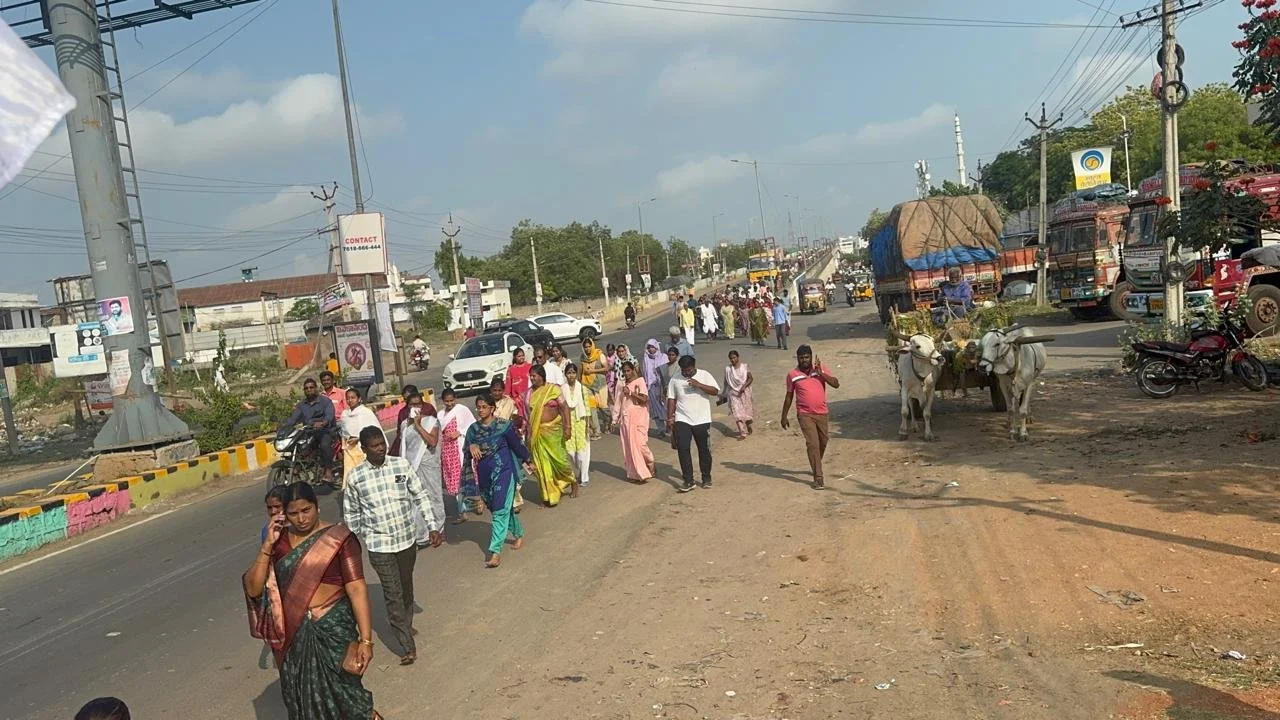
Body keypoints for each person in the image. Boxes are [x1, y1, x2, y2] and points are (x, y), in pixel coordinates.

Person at [243, 482, 381, 720]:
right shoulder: (279, 543)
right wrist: (266, 547)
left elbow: (357, 588)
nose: (301, 519)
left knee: (352, 700)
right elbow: (253, 589)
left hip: (334, 630)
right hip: (295, 635)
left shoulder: (339, 539)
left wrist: (366, 640)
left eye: (306, 510)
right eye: (294, 513)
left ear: (317, 507)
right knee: (304, 703)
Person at [344, 427, 443, 666]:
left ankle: (405, 624)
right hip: (379, 546)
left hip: (407, 541)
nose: (380, 449)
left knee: (406, 586)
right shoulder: (356, 478)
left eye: (382, 444)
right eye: (375, 446)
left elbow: (420, 496)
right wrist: (360, 539)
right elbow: (351, 515)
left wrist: (432, 527)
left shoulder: (401, 466)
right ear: (364, 449)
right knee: (393, 593)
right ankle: (407, 645)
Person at [467, 395, 537, 568]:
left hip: (504, 473)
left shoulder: (504, 426)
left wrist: (528, 459)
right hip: (484, 477)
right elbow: (467, 449)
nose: (481, 410)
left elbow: (516, 445)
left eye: (484, 406)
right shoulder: (473, 430)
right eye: (478, 407)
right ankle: (519, 533)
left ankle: (495, 552)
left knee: (499, 510)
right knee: (500, 509)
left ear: (492, 408)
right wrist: (471, 446)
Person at [780, 344, 840, 489]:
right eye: (801, 358)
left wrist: (821, 374)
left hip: (822, 413)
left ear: (811, 357)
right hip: (805, 414)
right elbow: (789, 396)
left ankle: (815, 462)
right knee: (813, 444)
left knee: (823, 442)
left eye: (807, 357)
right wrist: (784, 416)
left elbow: (836, 384)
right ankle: (818, 477)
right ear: (798, 359)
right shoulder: (792, 375)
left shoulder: (820, 369)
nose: (804, 360)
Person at [666, 355, 720, 492]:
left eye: (689, 370)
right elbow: (671, 399)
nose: (687, 373)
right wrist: (670, 418)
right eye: (684, 370)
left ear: (694, 366)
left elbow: (715, 391)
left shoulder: (704, 374)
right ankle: (688, 480)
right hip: (682, 418)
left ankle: (706, 477)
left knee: (704, 449)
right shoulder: (675, 379)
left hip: (702, 419)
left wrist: (699, 385)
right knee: (683, 448)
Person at [400, 391, 446, 548]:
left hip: (429, 467)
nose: (416, 408)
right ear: (407, 406)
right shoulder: (405, 425)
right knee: (415, 500)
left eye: (418, 405)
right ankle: (421, 536)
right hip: (412, 468)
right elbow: (404, 449)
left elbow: (433, 442)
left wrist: (418, 425)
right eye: (412, 405)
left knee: (433, 497)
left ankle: (438, 529)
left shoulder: (431, 422)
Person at [527, 365, 576, 506]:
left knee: (560, 461)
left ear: (541, 376)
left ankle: (572, 481)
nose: (532, 378)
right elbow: (528, 415)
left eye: (534, 375)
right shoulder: (529, 394)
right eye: (530, 376)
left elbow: (564, 407)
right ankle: (550, 495)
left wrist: (568, 427)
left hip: (554, 431)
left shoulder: (553, 389)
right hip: (538, 433)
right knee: (543, 465)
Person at [277, 378, 337, 484]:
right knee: (298, 444)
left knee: (324, 445)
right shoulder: (302, 405)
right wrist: (284, 426)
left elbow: (330, 415)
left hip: (325, 431)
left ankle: (329, 471)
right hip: (309, 432)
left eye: (311, 387)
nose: (309, 390)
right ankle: (298, 466)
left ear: (316, 388)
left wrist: (323, 422)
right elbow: (293, 419)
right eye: (306, 388)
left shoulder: (325, 401)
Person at [438, 388, 479, 522]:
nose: (449, 403)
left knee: (466, 476)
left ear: (455, 399)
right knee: (454, 482)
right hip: (447, 452)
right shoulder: (440, 415)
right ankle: (462, 511)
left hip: (460, 448)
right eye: (446, 401)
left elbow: (472, 425)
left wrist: (460, 432)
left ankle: (477, 502)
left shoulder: (462, 410)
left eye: (452, 400)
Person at [489, 377, 528, 513]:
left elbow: (516, 418)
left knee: (513, 471)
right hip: (493, 444)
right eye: (494, 390)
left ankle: (515, 502)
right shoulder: (486, 403)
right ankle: (504, 501)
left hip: (508, 442)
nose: (497, 393)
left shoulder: (509, 402)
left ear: (503, 390)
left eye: (500, 390)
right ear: (491, 390)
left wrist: (514, 422)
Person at [618, 358, 656, 483]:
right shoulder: (621, 385)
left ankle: (650, 463)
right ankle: (637, 474)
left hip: (639, 419)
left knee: (641, 446)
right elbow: (619, 403)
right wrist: (615, 419)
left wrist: (631, 393)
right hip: (626, 420)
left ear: (633, 370)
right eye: (624, 372)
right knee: (630, 448)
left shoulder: (640, 381)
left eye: (629, 370)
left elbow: (644, 400)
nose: (627, 373)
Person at [339, 388, 380, 485]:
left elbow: (374, 430)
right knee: (351, 474)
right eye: (348, 398)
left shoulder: (365, 412)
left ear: (359, 399)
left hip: (364, 448)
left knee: (366, 474)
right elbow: (344, 432)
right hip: (350, 449)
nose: (350, 400)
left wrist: (359, 439)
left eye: (353, 397)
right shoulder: (345, 414)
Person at [562, 362, 592, 487]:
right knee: (570, 452)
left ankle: (584, 476)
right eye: (569, 373)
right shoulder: (561, 390)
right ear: (565, 374)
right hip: (568, 422)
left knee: (582, 451)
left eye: (573, 373)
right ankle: (578, 471)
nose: (571, 375)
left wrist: (589, 425)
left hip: (580, 421)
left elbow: (587, 407)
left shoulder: (582, 388)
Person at [579, 337, 609, 440]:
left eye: (589, 346)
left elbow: (606, 368)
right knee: (592, 408)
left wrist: (592, 371)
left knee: (603, 407)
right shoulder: (582, 358)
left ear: (592, 345)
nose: (587, 349)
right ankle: (597, 431)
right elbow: (580, 371)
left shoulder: (599, 355)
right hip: (587, 385)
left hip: (600, 384)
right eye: (585, 347)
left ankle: (608, 421)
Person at [722, 350, 755, 440]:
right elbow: (726, 382)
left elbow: (750, 378)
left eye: (734, 357)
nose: (732, 360)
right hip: (733, 393)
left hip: (744, 392)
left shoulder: (744, 367)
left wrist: (744, 386)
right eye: (731, 358)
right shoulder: (728, 369)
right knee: (737, 413)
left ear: (738, 357)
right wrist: (724, 393)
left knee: (746, 412)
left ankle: (748, 424)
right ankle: (743, 433)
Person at [641, 339, 668, 435]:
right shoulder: (646, 359)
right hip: (651, 387)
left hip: (663, 386)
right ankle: (661, 429)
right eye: (649, 347)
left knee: (665, 407)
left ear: (656, 347)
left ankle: (669, 424)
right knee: (655, 409)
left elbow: (666, 373)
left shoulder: (664, 357)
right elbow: (645, 373)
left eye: (652, 347)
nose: (651, 349)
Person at [388, 383, 420, 457]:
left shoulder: (427, 408)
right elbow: (400, 431)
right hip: (406, 446)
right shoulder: (403, 412)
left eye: (409, 398)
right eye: (405, 399)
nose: (407, 401)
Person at [506, 347, 532, 422]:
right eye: (519, 356)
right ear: (515, 357)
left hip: (529, 397)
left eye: (522, 355)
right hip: (516, 400)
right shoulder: (511, 369)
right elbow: (508, 385)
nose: (522, 357)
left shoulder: (529, 367)